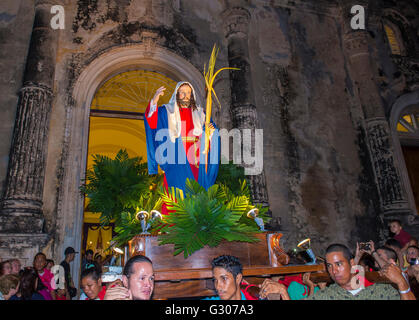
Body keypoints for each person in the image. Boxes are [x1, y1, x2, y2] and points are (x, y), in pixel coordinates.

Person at [144, 82, 220, 214]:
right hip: (175, 160)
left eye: (189, 93)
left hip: (196, 162)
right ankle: (172, 229)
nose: (186, 96)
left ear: (192, 95)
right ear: (177, 94)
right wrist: (154, 101)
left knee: (196, 193)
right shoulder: (166, 111)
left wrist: (211, 133)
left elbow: (212, 134)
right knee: (175, 194)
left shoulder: (201, 114)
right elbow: (151, 120)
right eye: (182, 92)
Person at [305, 244, 415, 300]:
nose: (334, 271)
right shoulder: (327, 295)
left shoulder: (380, 292)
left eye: (339, 264)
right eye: (329, 266)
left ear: (351, 263)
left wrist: (401, 283)